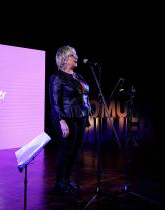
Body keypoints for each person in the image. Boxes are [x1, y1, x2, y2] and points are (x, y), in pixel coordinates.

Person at [49, 45, 93, 194]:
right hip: (66, 118)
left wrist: (86, 115)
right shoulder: (57, 77)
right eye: (73, 55)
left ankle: (67, 179)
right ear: (65, 58)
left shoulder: (77, 75)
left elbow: (84, 95)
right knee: (65, 151)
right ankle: (60, 182)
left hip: (80, 117)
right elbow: (55, 102)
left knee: (75, 151)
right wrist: (61, 121)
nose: (77, 57)